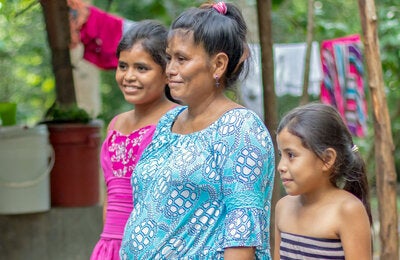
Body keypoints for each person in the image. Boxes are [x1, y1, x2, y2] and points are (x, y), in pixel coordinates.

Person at [119, 1, 275, 259]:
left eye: (182, 59)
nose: (170, 70)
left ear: (218, 65)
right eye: (169, 58)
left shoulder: (240, 130)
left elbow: (242, 237)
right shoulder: (167, 123)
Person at [90, 20, 178, 260]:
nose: (128, 76)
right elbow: (109, 196)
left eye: (141, 68)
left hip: (153, 247)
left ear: (166, 73)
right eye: (123, 66)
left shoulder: (176, 122)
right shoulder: (116, 124)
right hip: (109, 246)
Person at [274, 102, 372, 259]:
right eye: (281, 155)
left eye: (291, 155)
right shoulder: (283, 207)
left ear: (327, 159)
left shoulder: (348, 211)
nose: (281, 166)